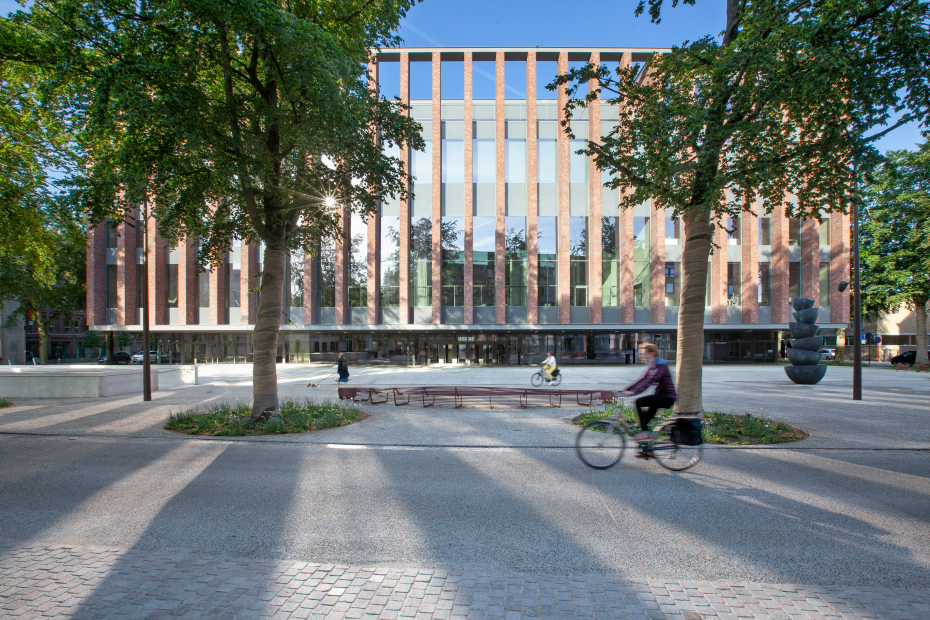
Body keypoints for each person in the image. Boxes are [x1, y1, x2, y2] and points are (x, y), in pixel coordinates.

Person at [621, 343, 677, 445]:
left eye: (643, 353)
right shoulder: (653, 365)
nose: (641, 355)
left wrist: (633, 392)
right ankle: (647, 446)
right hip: (660, 396)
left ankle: (645, 433)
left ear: (651, 353)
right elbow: (642, 380)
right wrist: (626, 389)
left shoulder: (661, 365)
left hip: (667, 397)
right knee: (644, 419)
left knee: (638, 402)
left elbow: (649, 381)